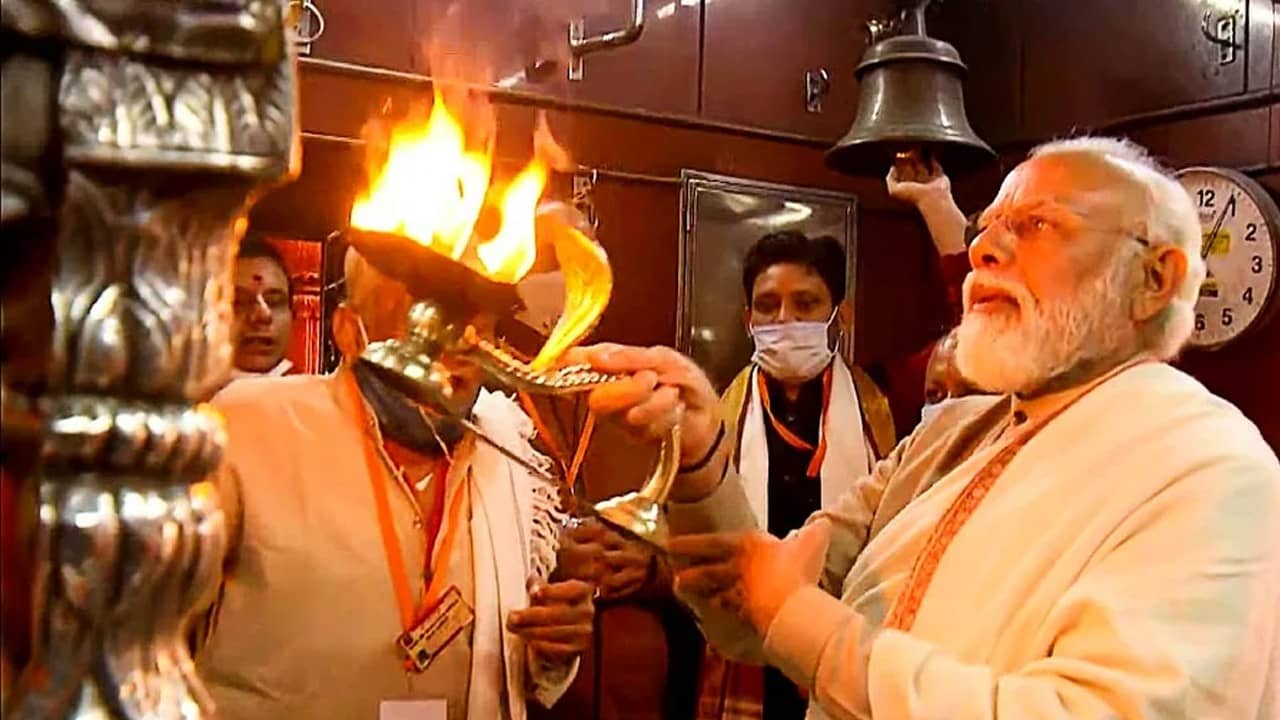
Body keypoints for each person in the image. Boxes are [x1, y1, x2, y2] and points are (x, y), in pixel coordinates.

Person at [576, 136, 1280, 718]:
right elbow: (748, 612)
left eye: (1037, 224)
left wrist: (799, 619)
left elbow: (783, 607)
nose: (984, 251)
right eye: (987, 229)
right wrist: (698, 450)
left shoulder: (1210, 470)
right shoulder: (947, 437)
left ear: (1156, 278)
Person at [194, 247, 594, 720]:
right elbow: (148, 638)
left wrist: (551, 649)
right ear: (349, 331)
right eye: (425, 323)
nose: (458, 347)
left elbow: (519, 673)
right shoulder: (246, 427)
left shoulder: (509, 453)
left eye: (477, 328)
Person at [700, 158, 969, 720]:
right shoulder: (714, 417)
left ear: (838, 315)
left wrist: (938, 208)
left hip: (851, 639)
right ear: (748, 318)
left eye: (806, 304)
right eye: (768, 306)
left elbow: (974, 331)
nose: (785, 319)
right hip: (747, 652)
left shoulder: (884, 399)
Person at [229, 233, 296, 379]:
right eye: (239, 302)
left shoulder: (318, 393)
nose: (263, 315)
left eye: (274, 301)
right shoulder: (185, 391)